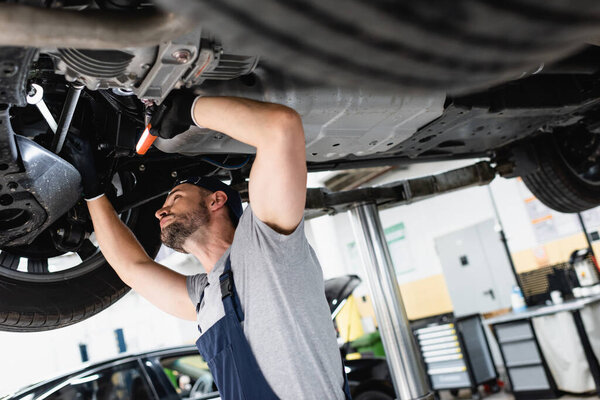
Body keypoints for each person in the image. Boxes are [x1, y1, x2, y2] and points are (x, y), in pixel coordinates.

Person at [66, 93, 351, 400]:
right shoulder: (206, 297)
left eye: (175, 197)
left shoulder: (267, 244)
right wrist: (93, 192)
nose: (160, 212)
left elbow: (281, 128)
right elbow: (133, 267)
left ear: (217, 200)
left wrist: (189, 108)